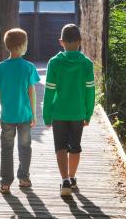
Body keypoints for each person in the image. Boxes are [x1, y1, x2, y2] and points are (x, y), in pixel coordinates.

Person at [42, 23, 95, 196]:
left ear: (61, 42)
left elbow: (49, 91)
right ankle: (72, 177)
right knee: (75, 147)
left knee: (60, 147)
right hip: (78, 112)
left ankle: (64, 180)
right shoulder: (87, 64)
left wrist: (47, 115)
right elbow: (90, 91)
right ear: (80, 41)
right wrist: (88, 113)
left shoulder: (54, 63)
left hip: (58, 113)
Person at [0, 28, 40, 194]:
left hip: (6, 117)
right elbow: (32, 92)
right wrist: (34, 114)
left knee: (7, 149)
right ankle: (24, 178)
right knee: (25, 147)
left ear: (7, 46)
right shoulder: (28, 67)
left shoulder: (1, 67)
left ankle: (5, 183)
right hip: (25, 116)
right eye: (26, 43)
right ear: (22, 45)